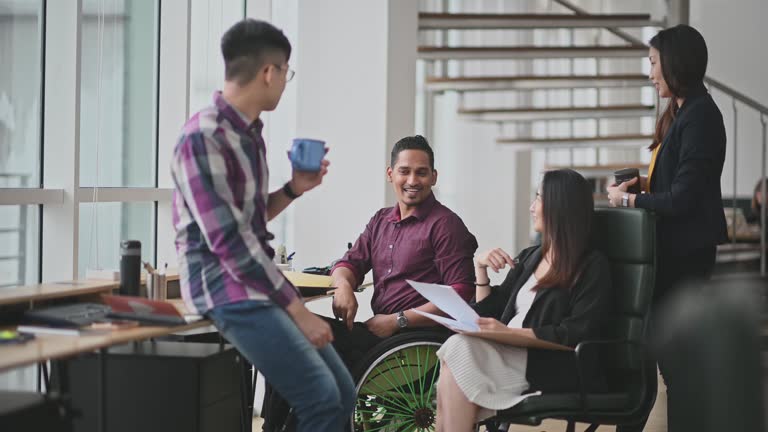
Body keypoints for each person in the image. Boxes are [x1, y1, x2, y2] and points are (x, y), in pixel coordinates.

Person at [170, 19, 354, 432]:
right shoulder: (202, 137)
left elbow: (248, 220)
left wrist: (294, 189)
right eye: (286, 73)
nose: (285, 82)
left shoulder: (249, 136)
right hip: (224, 289)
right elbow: (229, 242)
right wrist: (297, 310)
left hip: (255, 285)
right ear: (269, 72)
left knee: (342, 394)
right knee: (322, 399)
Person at [606, 24, 727, 431]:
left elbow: (683, 200)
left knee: (676, 362)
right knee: (657, 358)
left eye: (654, 62)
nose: (650, 72)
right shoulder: (681, 113)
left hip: (684, 255)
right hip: (670, 252)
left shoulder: (701, 117)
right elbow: (676, 182)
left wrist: (629, 199)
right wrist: (642, 184)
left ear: (675, 63)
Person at [436, 169, 612, 431]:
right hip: (508, 351)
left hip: (548, 363)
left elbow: (574, 333)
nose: (531, 207)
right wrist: (480, 270)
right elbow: (491, 311)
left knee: (457, 353)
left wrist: (509, 334)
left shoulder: (591, 266)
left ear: (558, 206)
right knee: (455, 356)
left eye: (538, 199)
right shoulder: (532, 256)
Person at [328, 134, 479, 368]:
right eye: (404, 171)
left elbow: (461, 293)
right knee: (300, 329)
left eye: (421, 172)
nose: (412, 180)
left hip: (413, 341)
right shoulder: (380, 220)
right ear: (390, 174)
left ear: (433, 177)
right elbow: (349, 264)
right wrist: (343, 286)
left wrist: (397, 321)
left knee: (309, 337)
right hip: (380, 334)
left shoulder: (445, 225)